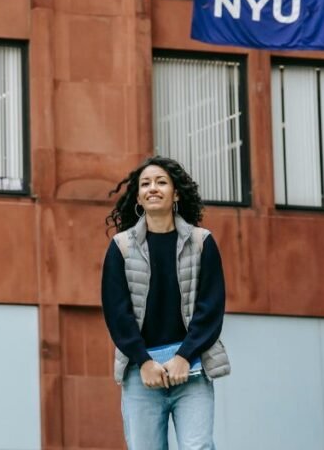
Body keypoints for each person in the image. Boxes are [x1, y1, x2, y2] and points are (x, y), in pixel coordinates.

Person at [101, 156, 230, 450]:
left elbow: (211, 309)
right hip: (140, 373)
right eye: (145, 184)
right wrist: (144, 362)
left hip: (192, 371)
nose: (153, 188)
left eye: (161, 182)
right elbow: (117, 314)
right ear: (138, 196)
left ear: (176, 193)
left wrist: (185, 356)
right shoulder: (121, 247)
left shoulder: (201, 242)